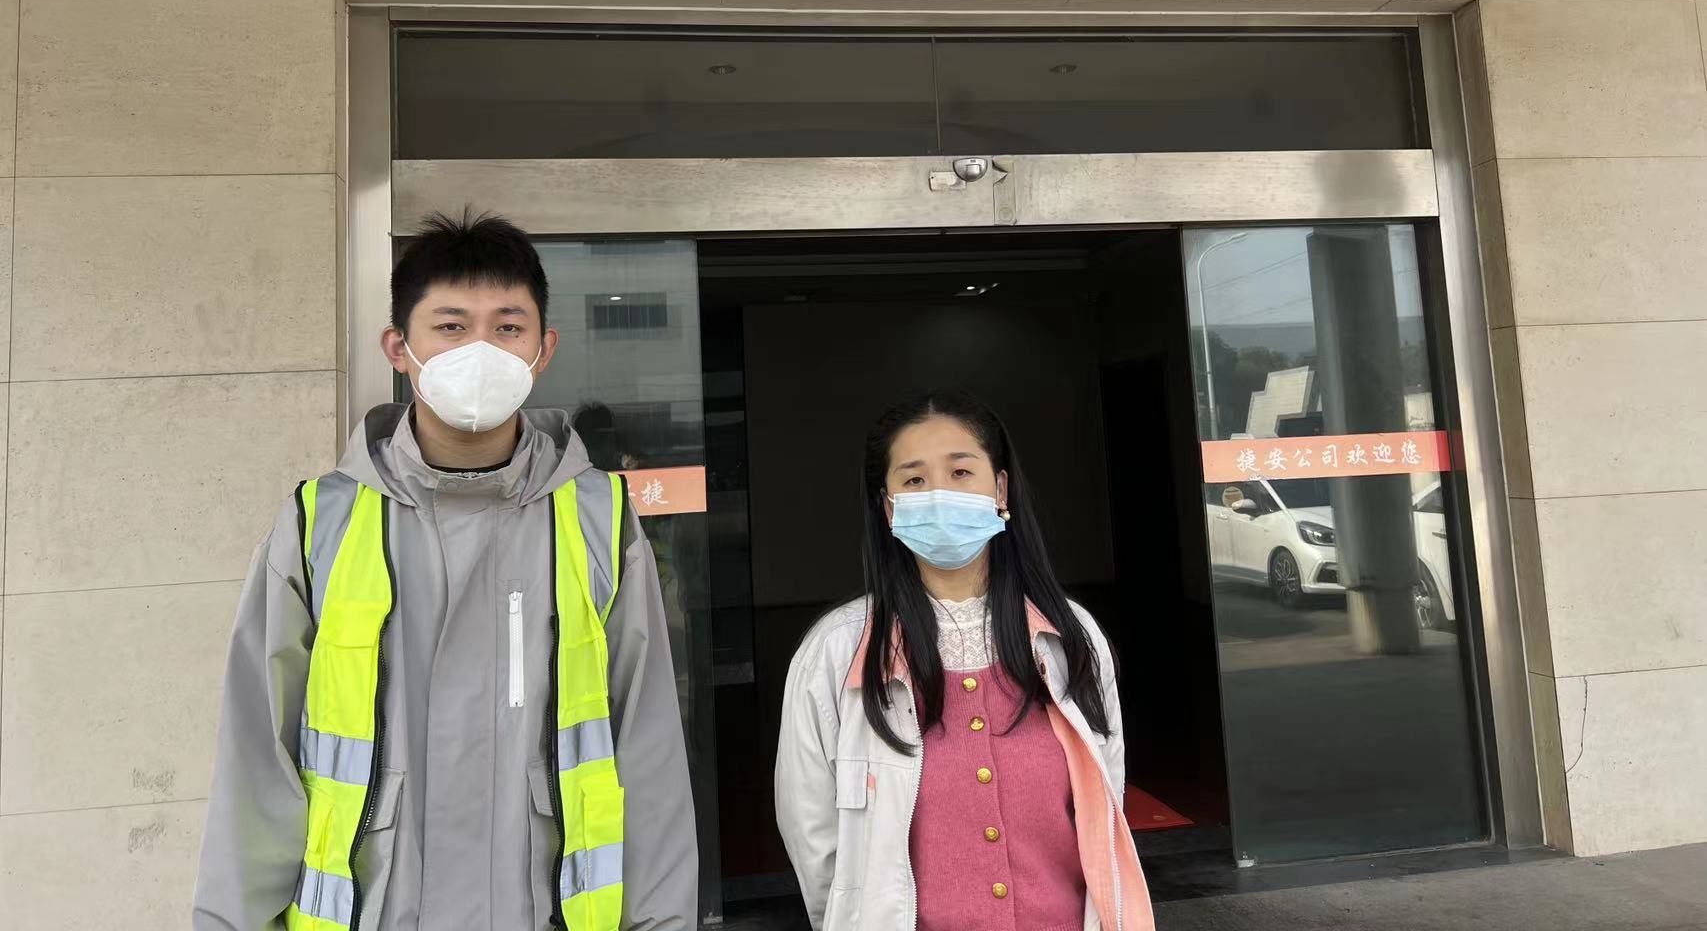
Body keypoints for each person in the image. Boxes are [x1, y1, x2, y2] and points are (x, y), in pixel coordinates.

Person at [194, 211, 697, 930]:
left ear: (543, 350)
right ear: (399, 348)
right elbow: (256, 756)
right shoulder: (320, 523)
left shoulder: (599, 519)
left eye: (508, 327)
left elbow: (646, 749)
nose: (480, 350)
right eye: (452, 327)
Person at [774, 391, 1153, 931]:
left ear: (999, 488)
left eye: (960, 472)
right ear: (888, 507)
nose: (939, 494)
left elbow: (1104, 806)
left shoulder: (1069, 636)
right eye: (914, 480)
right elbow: (814, 839)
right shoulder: (836, 652)